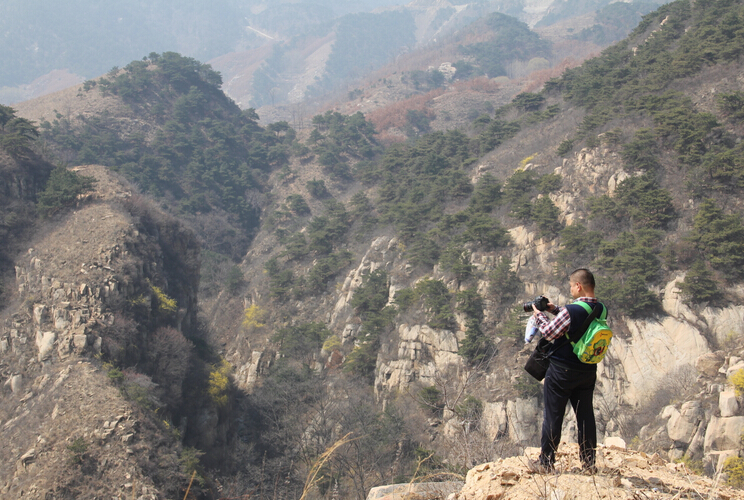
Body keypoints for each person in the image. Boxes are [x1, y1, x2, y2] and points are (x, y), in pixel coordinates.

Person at [530, 268, 605, 474]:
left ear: (578, 286)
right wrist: (555, 310)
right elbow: (580, 323)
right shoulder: (601, 309)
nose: (571, 289)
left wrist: (539, 315)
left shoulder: (571, 310)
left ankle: (546, 462)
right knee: (585, 417)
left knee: (554, 416)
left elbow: (549, 332)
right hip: (587, 370)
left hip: (561, 371)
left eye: (571, 286)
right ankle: (589, 464)